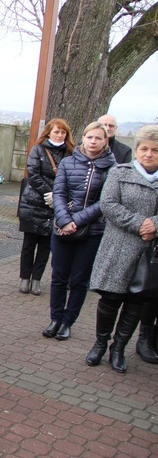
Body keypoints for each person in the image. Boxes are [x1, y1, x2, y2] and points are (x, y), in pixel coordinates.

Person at [86, 124, 158, 372]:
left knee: (136, 301)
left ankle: (118, 349)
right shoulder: (120, 172)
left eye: (155, 150)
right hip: (118, 246)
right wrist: (141, 223)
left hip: (148, 252)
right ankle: (100, 344)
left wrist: (155, 225)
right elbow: (108, 205)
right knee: (110, 298)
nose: (149, 154)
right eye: (144, 149)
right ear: (137, 150)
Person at [44, 122, 116, 341]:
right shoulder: (67, 162)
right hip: (63, 229)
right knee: (58, 276)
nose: (93, 141)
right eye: (89, 137)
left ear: (105, 141)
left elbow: (106, 201)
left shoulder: (113, 168)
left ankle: (68, 322)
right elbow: (60, 192)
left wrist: (77, 220)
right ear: (83, 138)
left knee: (79, 280)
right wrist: (65, 220)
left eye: (98, 138)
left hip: (92, 231)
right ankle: (55, 318)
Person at [17, 119, 75, 295]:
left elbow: (72, 177)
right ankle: (24, 278)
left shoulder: (70, 153)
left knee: (45, 245)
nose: (59, 135)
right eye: (56, 131)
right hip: (34, 202)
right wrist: (49, 192)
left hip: (55, 206)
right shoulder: (38, 149)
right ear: (49, 132)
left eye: (63, 132)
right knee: (29, 244)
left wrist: (58, 196)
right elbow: (33, 174)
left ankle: (37, 279)